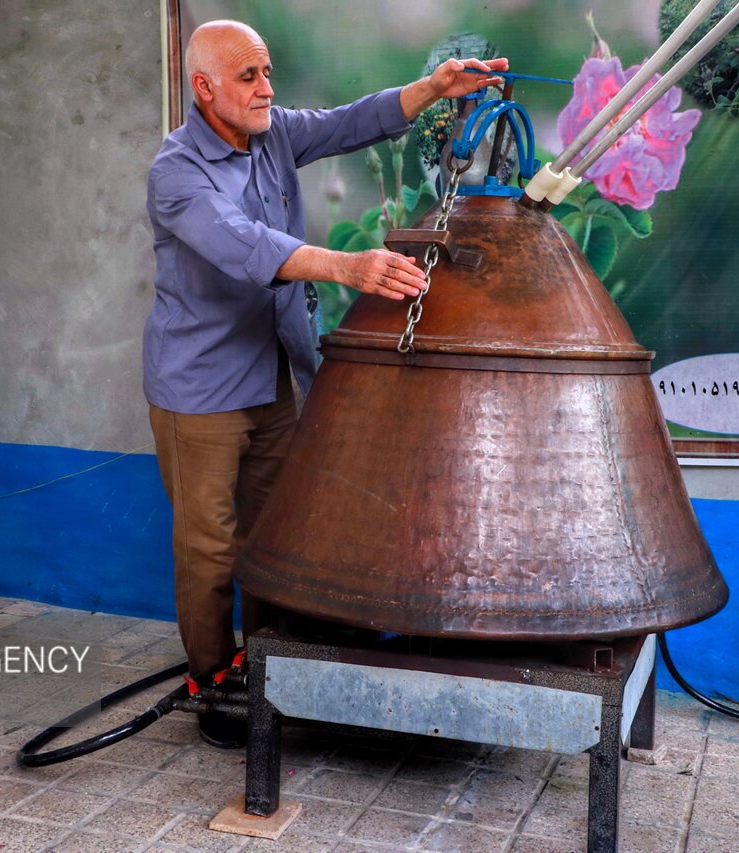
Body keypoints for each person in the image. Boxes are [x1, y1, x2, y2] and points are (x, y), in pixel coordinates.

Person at [144, 19, 507, 747]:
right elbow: (240, 242)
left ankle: (271, 666)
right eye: (248, 77)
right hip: (198, 389)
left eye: (269, 72)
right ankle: (214, 683)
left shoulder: (272, 131)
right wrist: (348, 265)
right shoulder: (176, 171)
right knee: (210, 546)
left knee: (273, 530)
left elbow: (352, 122)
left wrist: (432, 89)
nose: (266, 89)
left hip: (267, 374)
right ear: (203, 88)